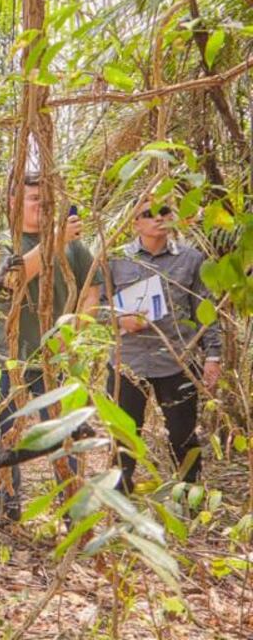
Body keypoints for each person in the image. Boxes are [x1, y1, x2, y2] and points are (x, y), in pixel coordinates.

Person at [0, 174, 101, 521]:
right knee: (4, 437)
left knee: (67, 435)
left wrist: (76, 331)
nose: (42, 206)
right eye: (34, 199)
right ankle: (6, 509)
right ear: (13, 203)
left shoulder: (73, 246)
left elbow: (92, 288)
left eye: (46, 200)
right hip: (8, 359)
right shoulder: (3, 243)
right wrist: (54, 239)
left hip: (59, 359)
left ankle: (74, 513)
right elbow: (13, 280)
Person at [102, 199, 221, 493]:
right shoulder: (115, 259)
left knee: (182, 433)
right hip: (127, 362)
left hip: (176, 361)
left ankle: (189, 494)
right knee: (124, 435)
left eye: (164, 212)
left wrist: (213, 356)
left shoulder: (192, 259)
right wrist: (119, 320)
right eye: (148, 214)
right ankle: (121, 497)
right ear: (135, 223)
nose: (158, 218)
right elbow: (94, 307)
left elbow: (205, 311)